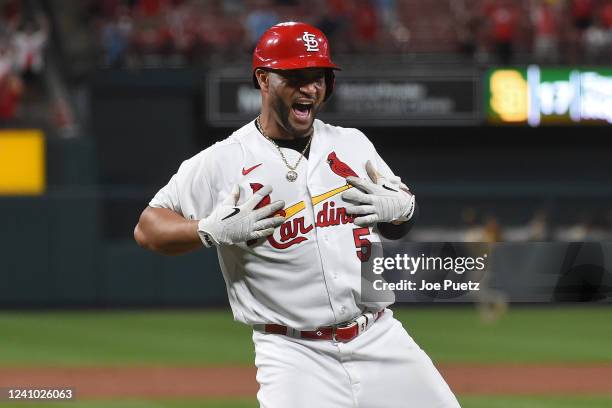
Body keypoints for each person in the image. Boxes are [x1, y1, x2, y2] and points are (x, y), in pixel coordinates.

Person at [134, 21, 460, 408]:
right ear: (264, 79)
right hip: (293, 354)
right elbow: (148, 228)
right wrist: (207, 229)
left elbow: (399, 222)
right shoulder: (224, 161)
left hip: (379, 336)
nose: (311, 87)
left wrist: (404, 211)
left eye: (319, 76)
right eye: (296, 76)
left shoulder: (353, 144)